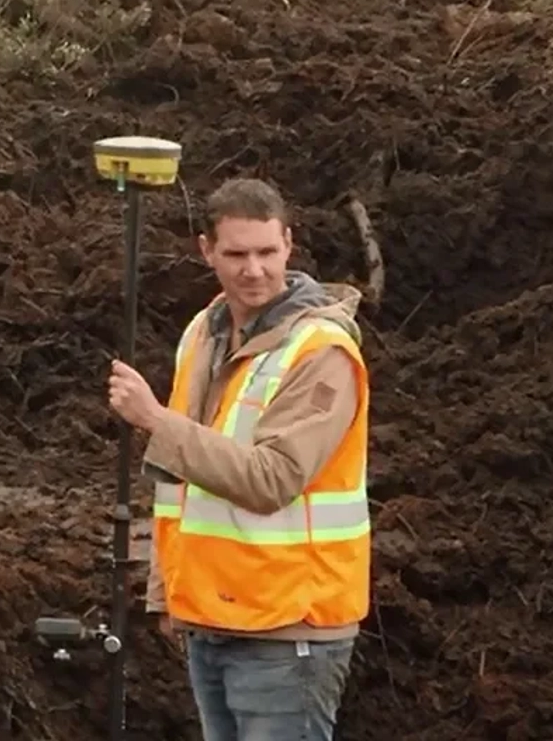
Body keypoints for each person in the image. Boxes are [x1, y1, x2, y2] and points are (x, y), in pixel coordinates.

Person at [105, 177, 371, 741]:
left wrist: (154, 420)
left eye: (267, 252)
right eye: (237, 254)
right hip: (213, 619)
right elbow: (179, 483)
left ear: (289, 244)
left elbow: (272, 478)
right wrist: (167, 591)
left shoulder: (320, 352)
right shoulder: (204, 331)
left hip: (287, 628)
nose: (254, 270)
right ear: (207, 250)